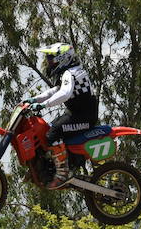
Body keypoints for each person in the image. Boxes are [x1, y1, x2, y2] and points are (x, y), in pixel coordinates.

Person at [26, 42, 98, 188]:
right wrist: (34, 99)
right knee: (47, 130)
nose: (49, 62)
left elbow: (64, 94)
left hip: (85, 117)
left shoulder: (71, 73)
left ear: (63, 58)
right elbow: (55, 91)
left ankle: (62, 173)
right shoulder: (69, 72)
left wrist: (43, 105)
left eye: (52, 59)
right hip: (75, 114)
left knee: (52, 134)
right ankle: (49, 166)